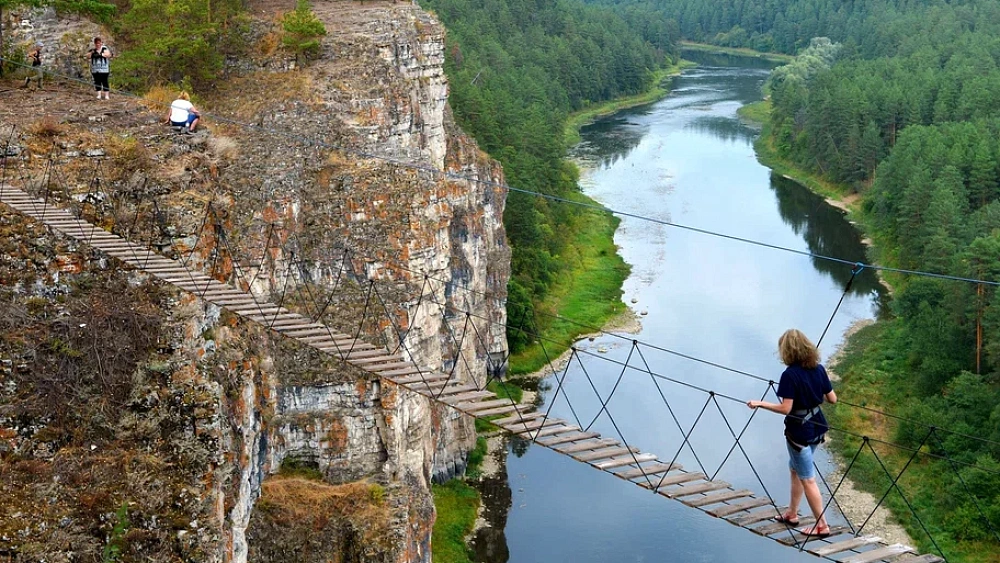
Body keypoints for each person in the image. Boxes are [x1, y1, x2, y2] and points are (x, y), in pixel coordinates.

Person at [747, 328, 837, 537]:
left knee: (808, 479)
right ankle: (792, 514)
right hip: (817, 427)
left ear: (786, 352)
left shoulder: (789, 375)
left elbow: (786, 409)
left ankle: (822, 525)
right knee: (795, 469)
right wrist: (813, 395)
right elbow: (832, 399)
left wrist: (760, 403)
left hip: (799, 433)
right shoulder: (819, 369)